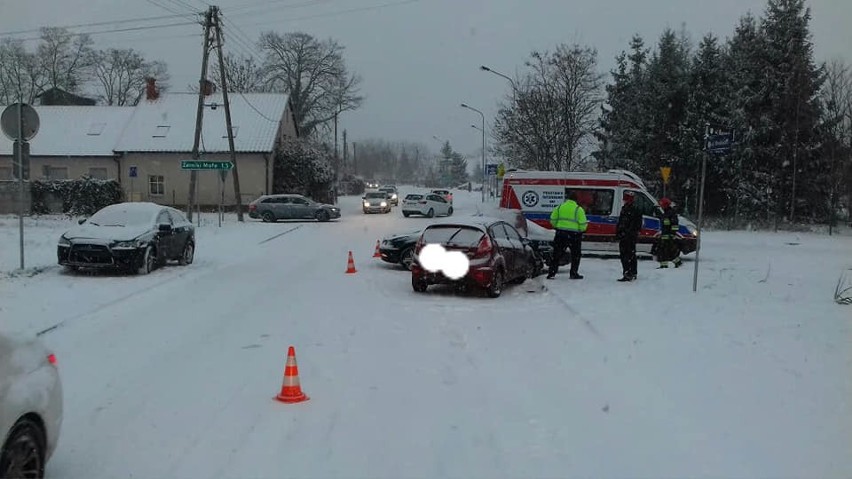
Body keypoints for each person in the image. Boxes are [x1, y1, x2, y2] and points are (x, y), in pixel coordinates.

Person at [547, 190, 587, 280]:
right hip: (575, 235)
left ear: (567, 198)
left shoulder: (559, 207)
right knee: (575, 255)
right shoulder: (578, 209)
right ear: (576, 200)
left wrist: (557, 226)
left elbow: (552, 219)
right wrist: (580, 230)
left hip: (560, 234)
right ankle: (573, 273)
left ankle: (552, 273)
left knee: (556, 254)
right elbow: (583, 225)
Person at [615, 191, 643, 282]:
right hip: (625, 236)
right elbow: (621, 222)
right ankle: (630, 272)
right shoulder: (625, 208)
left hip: (629, 237)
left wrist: (627, 233)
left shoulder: (634, 210)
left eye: (625, 199)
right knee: (628, 255)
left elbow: (636, 225)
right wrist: (618, 232)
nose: (624, 201)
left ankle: (629, 273)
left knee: (628, 255)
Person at [656, 197, 683, 268]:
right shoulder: (665, 213)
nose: (661, 206)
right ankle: (664, 265)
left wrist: (672, 234)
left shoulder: (671, 213)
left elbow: (675, 225)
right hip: (664, 235)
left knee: (668, 251)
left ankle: (677, 262)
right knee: (663, 251)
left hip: (669, 236)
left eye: (662, 205)